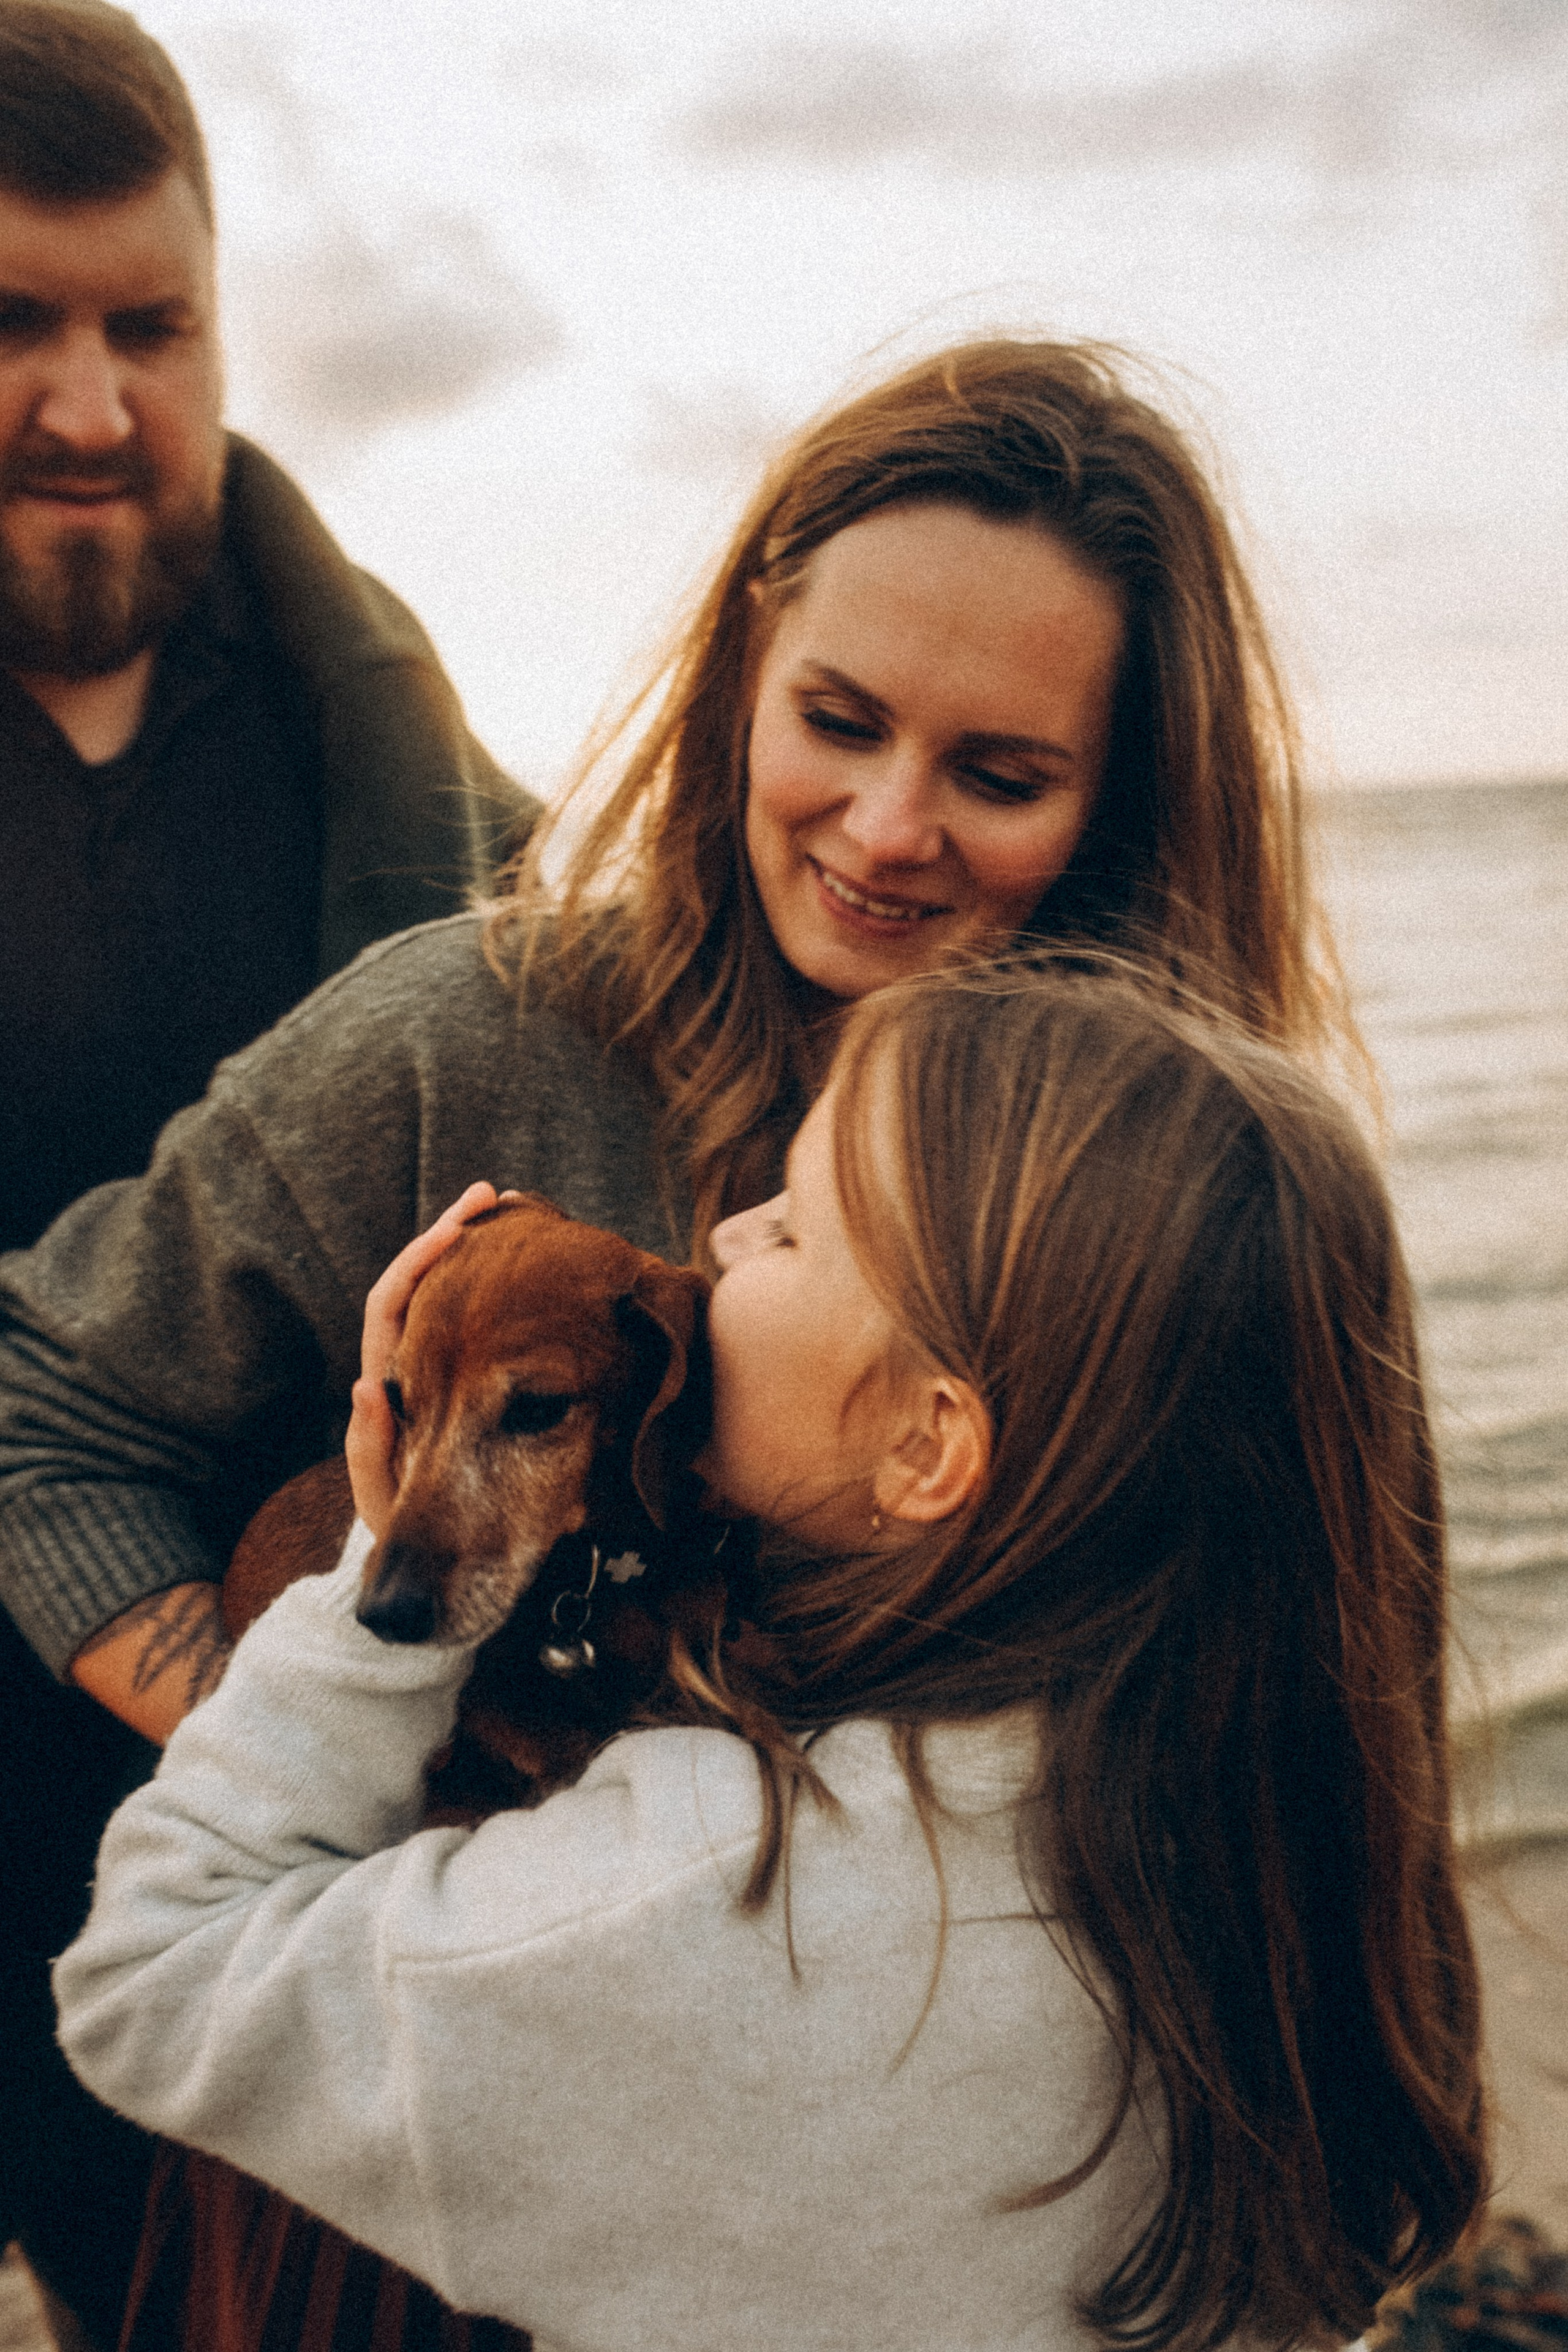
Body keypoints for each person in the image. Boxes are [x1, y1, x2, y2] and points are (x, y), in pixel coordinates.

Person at [2, 334, 1349, 2343]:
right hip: (414, 2167)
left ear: (1125, 802)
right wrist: (370, 1809)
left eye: (998, 775)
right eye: (840, 719)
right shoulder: (465, 1034)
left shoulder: (1167, 1206)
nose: (891, 826)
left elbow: (1273, 1734)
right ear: (743, 671)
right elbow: (42, 1407)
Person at [53, 959, 1487, 2352]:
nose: (721, 1235)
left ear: (932, 1446)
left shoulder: (699, 1895)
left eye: (791, 1224)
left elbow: (153, 1976)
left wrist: (371, 1589)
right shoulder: (1272, 1877)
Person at [0, 2, 532, 2338]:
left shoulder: (416, 784)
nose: (92, 402)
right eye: (11, 321)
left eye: (152, 323)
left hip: (249, 1796)